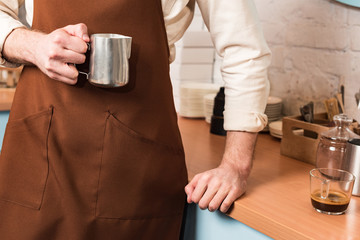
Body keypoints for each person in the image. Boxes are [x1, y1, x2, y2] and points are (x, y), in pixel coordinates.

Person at [0, 0, 271, 239]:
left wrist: (236, 165)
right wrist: (35, 45)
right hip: (39, 152)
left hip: (132, 166)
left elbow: (244, 50)